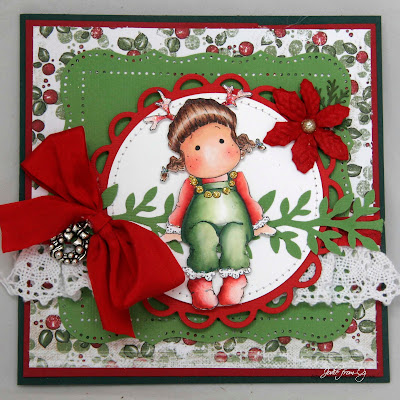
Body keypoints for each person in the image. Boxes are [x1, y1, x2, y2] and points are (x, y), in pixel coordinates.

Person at [161, 98, 275, 310]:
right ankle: (200, 284)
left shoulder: (237, 179)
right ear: (183, 158)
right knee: (203, 238)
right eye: (197, 147)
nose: (212, 153)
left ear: (235, 140)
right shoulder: (191, 184)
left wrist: (259, 222)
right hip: (199, 224)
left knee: (235, 238)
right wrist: (173, 229)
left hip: (237, 223)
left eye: (222, 141)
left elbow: (249, 201)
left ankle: (234, 281)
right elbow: (181, 207)